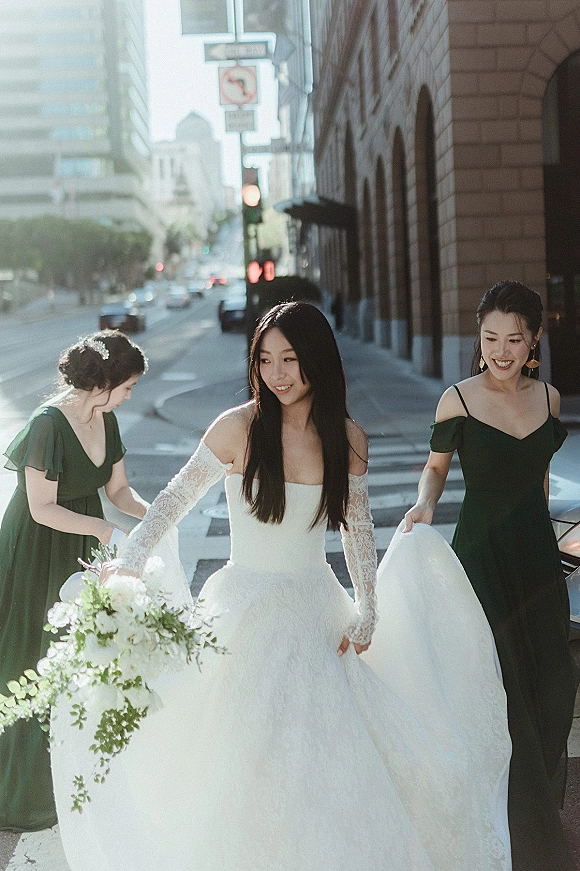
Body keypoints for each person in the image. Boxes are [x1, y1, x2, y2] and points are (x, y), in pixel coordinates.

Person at [51, 303, 512, 871]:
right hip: (241, 610)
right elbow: (171, 502)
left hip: (316, 609)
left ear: (316, 359)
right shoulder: (236, 426)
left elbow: (357, 531)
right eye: (266, 359)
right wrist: (132, 557)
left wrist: (368, 605)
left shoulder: (348, 437)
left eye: (290, 359)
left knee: (325, 761)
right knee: (241, 757)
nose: (278, 373)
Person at [404, 280, 579, 871]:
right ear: (479, 340)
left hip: (536, 557)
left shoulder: (550, 399)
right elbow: (435, 469)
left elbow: (543, 478)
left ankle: (531, 803)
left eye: (514, 338)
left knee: (552, 678)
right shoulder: (457, 399)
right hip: (481, 558)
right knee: (498, 689)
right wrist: (425, 504)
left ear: (533, 341)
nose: (501, 350)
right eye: (490, 338)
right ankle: (519, 825)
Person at [0, 330, 148, 832]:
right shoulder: (47, 425)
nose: (129, 397)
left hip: (82, 542)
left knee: (79, 654)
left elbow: (120, 490)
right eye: (126, 387)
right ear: (103, 383)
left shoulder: (106, 417)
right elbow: (41, 509)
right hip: (38, 548)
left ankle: (69, 775)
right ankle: (22, 791)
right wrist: (105, 529)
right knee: (32, 655)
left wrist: (156, 518)